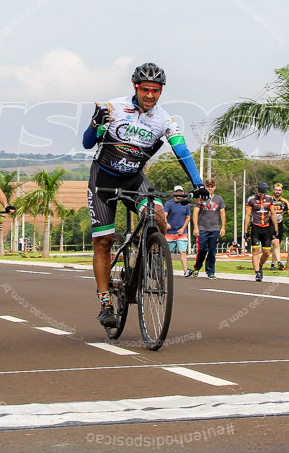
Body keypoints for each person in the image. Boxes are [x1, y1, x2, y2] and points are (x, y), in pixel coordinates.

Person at [83, 63, 207, 327]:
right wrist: (96, 124)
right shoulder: (113, 107)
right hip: (103, 180)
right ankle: (105, 302)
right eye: (145, 89)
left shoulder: (164, 119)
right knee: (103, 241)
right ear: (135, 86)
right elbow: (87, 142)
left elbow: (182, 150)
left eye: (156, 91)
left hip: (133, 179)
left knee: (159, 219)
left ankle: (147, 253)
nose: (150, 95)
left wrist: (198, 183)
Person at [189, 178, 227, 280]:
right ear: (205, 187)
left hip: (214, 228)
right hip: (202, 228)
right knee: (202, 249)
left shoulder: (219, 199)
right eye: (208, 186)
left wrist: (223, 227)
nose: (210, 188)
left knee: (212, 251)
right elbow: (195, 213)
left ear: (215, 187)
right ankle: (197, 267)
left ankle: (210, 272)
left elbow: (222, 213)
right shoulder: (200, 198)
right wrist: (196, 228)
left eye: (212, 186)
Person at [243, 181, 276, 282]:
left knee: (266, 252)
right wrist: (245, 231)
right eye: (260, 194)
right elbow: (247, 216)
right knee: (255, 251)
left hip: (266, 228)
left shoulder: (270, 199)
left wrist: (276, 229)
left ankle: (260, 265)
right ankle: (257, 272)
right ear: (257, 191)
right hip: (255, 228)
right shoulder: (251, 200)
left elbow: (273, 214)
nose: (262, 196)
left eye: (263, 194)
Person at [164, 186, 193, 276]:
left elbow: (188, 217)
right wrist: (166, 223)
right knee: (167, 252)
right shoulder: (169, 203)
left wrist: (183, 228)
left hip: (181, 232)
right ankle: (166, 269)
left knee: (183, 251)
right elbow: (164, 215)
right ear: (174, 192)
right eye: (177, 192)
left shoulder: (186, 204)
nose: (179, 194)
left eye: (181, 192)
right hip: (170, 232)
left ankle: (186, 270)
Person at [268, 182, 289, 270]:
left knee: (276, 245)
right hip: (270, 225)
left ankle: (273, 264)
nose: (277, 191)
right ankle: (279, 263)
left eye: (279, 190)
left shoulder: (284, 202)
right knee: (275, 243)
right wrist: (277, 212)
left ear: (282, 192)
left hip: (280, 225)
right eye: (276, 190)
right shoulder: (269, 200)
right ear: (273, 190)